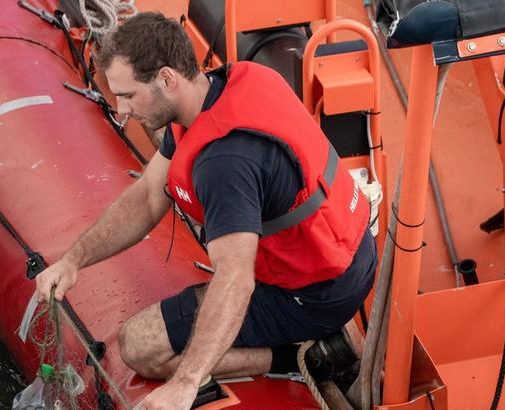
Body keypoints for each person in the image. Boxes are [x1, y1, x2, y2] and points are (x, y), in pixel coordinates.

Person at [34, 12, 377, 410]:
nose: (123, 110)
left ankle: (315, 356)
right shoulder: (224, 87)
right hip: (348, 256)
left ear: (166, 79)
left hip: (314, 295)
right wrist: (74, 260)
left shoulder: (224, 163)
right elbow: (148, 195)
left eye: (128, 95)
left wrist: (186, 382)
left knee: (140, 346)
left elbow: (236, 279)